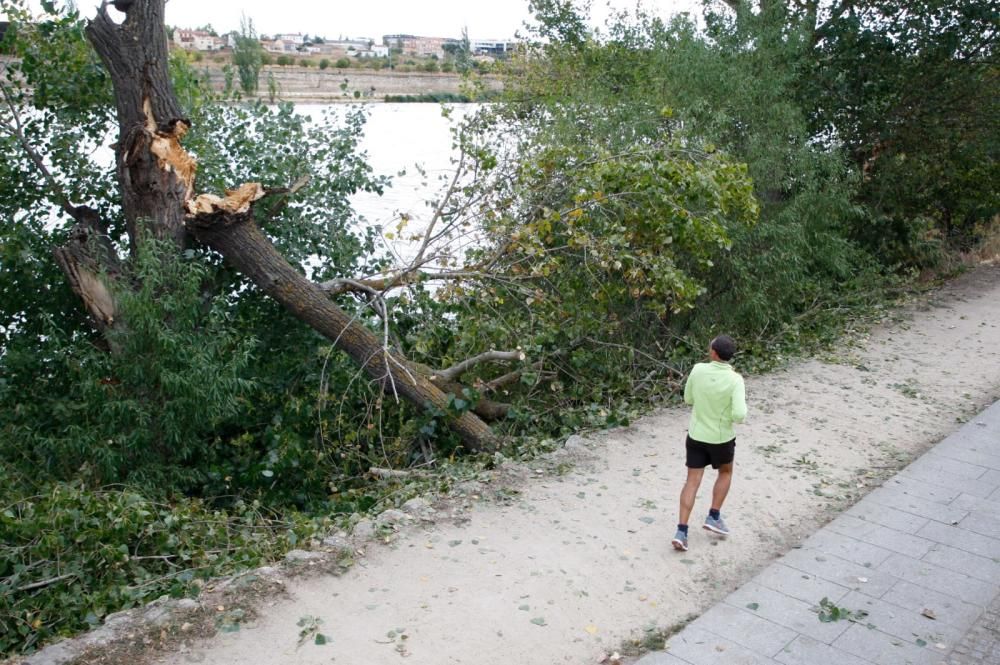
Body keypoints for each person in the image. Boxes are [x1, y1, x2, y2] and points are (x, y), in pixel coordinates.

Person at [671, 335, 747, 552]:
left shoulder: (698, 370)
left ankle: (681, 531)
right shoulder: (735, 380)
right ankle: (713, 515)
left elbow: (688, 399)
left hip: (696, 435)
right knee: (725, 473)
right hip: (722, 438)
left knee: (692, 480)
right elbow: (740, 414)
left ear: (714, 353)